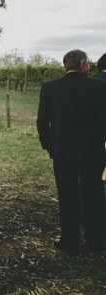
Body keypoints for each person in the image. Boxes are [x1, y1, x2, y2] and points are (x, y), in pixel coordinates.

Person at [37, 49, 106, 254]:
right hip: (93, 151)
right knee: (93, 193)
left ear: (65, 66)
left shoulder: (50, 88)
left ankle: (70, 240)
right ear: (83, 65)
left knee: (67, 195)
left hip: (62, 151)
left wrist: (49, 145)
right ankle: (95, 240)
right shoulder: (100, 87)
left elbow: (42, 121)